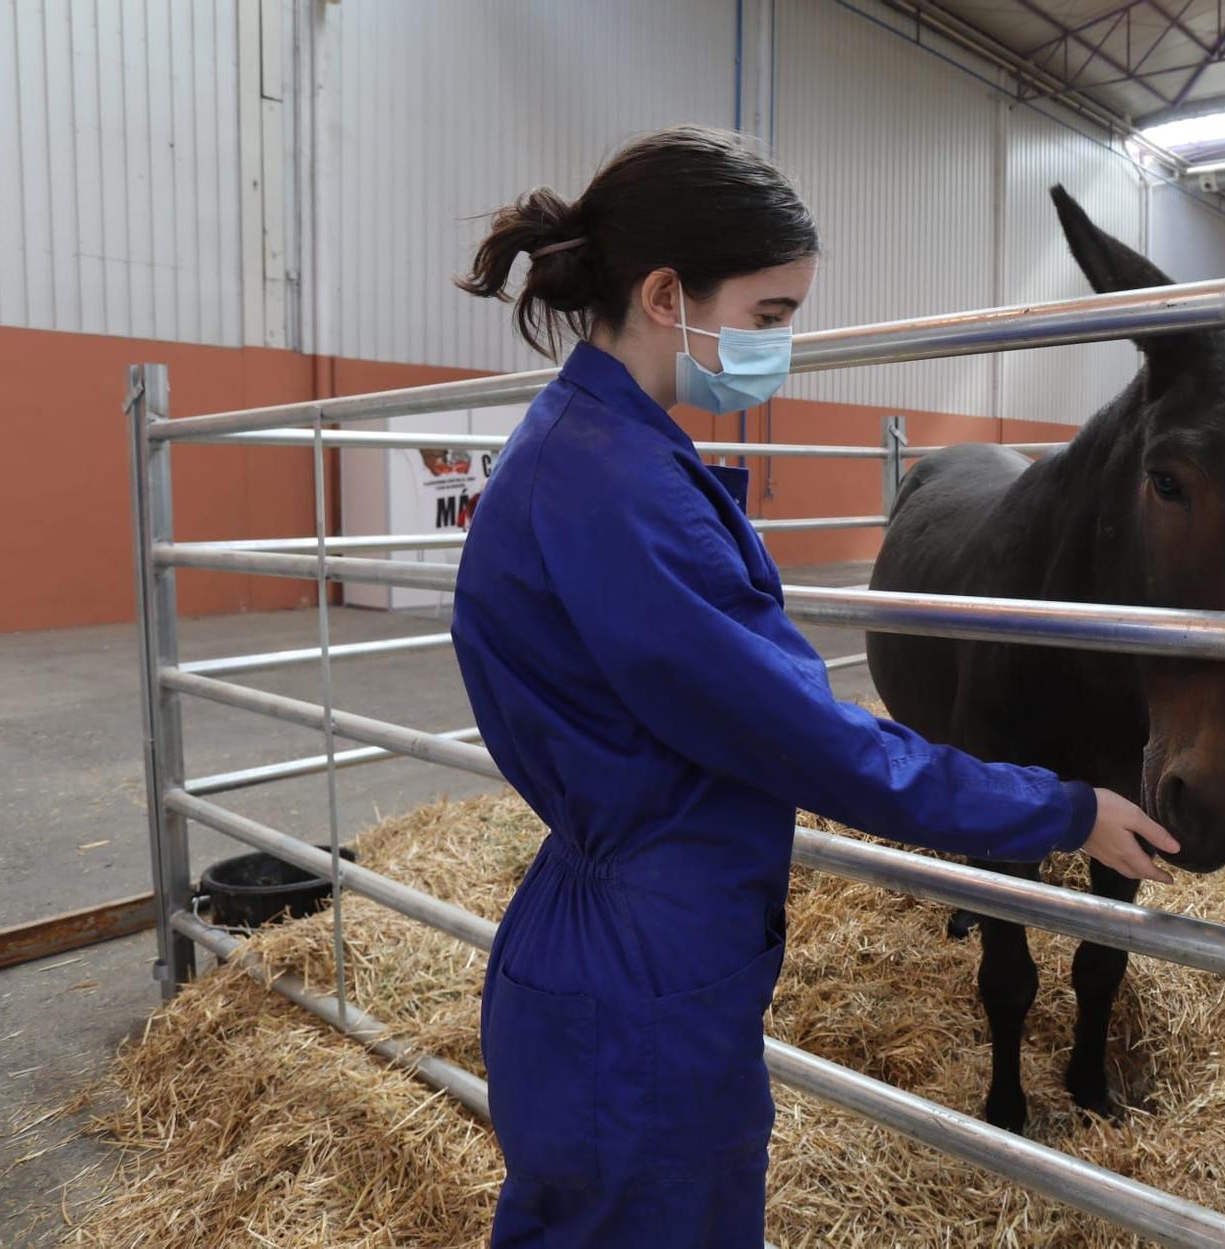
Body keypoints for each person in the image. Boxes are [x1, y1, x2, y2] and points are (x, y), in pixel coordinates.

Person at [450, 126, 1179, 1248]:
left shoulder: (593, 448)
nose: (781, 347)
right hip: (645, 975)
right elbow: (815, 745)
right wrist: (1063, 806)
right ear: (663, 294)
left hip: (616, 944)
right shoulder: (617, 490)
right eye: (770, 316)